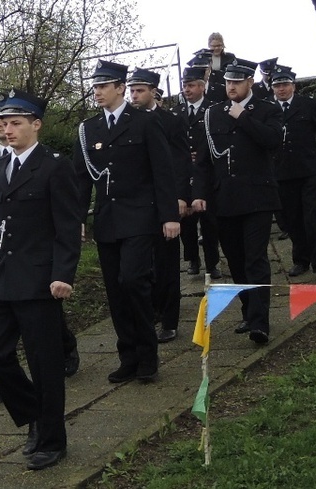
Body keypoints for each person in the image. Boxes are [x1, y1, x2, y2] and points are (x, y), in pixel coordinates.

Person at [0, 88, 81, 471]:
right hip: (3, 277)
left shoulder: (55, 166)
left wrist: (63, 274)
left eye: (16, 124)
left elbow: (68, 226)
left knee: (45, 363)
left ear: (35, 125)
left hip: (39, 280)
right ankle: (33, 415)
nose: (8, 131)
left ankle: (52, 440)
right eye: (4, 124)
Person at [74, 60, 180, 382]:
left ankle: (148, 356)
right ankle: (128, 356)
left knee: (134, 280)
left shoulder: (144, 123)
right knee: (116, 291)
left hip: (140, 216)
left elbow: (163, 170)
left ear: (121, 87)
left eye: (104, 86)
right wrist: (78, 218)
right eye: (95, 87)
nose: (98, 92)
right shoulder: (89, 129)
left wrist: (169, 216)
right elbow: (80, 179)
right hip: (108, 220)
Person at [191, 58, 283, 345]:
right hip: (225, 199)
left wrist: (243, 117)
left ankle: (260, 322)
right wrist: (200, 193)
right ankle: (248, 311)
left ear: (249, 83)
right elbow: (205, 160)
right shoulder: (213, 113)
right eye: (228, 82)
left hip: (257, 197)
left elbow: (272, 141)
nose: (231, 86)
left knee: (256, 259)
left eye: (237, 82)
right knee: (237, 260)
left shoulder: (267, 110)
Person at [127, 67, 191, 343]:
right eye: (132, 90)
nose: (134, 95)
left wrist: (180, 197)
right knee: (142, 265)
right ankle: (150, 311)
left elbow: (179, 162)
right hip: (138, 205)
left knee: (166, 264)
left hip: (165, 201)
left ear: (154, 91)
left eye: (140, 90)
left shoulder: (170, 121)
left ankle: (170, 318)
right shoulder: (127, 122)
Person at [271, 67, 316, 277]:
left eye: (285, 85)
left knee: (311, 213)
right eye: (277, 86)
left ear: (293, 85)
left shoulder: (307, 105)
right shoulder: (269, 109)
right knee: (292, 217)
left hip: (308, 168)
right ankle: (301, 259)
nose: (281, 89)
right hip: (282, 172)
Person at [172, 66, 222, 280]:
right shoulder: (176, 113)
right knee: (186, 221)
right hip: (183, 172)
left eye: (191, 85)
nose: (187, 89)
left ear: (202, 87)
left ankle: (213, 263)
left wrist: (201, 155)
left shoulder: (213, 109)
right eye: (184, 85)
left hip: (207, 172)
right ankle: (193, 258)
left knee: (209, 221)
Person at [207, 33, 236, 104]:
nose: (216, 48)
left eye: (219, 45)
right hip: (210, 93)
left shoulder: (230, 57)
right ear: (209, 46)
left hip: (226, 91)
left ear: (223, 45)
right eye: (214, 46)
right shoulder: (204, 58)